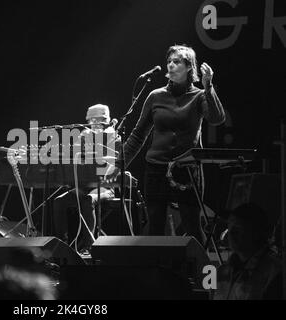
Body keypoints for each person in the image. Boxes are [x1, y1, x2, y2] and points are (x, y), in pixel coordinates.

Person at [106, 45, 225, 245]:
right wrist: (118, 165)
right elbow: (137, 135)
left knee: (192, 226)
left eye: (176, 61)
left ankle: (198, 274)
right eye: (169, 60)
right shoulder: (155, 96)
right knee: (155, 228)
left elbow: (217, 118)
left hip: (187, 169)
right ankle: (158, 273)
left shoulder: (199, 95)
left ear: (189, 67)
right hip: (156, 169)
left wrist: (209, 86)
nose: (170, 65)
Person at [52, 104, 120, 253]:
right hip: (84, 185)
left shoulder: (114, 137)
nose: (93, 124)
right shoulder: (84, 136)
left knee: (88, 200)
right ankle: (61, 246)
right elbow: (74, 157)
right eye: (91, 121)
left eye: (97, 120)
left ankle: (90, 247)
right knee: (59, 201)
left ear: (105, 120)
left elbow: (113, 164)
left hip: (106, 187)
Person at [214, 203, 282, 299]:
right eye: (229, 227)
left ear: (256, 232)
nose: (230, 233)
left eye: (238, 228)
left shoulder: (273, 273)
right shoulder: (221, 272)